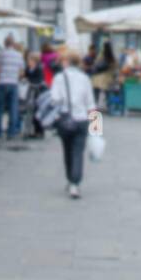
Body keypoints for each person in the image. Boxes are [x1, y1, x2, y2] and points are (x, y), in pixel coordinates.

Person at [49, 50, 96, 199]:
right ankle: (75, 183)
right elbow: (91, 103)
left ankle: (70, 179)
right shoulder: (85, 78)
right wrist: (97, 129)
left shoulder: (58, 78)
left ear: (66, 62)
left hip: (64, 119)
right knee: (78, 152)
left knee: (67, 150)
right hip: (81, 120)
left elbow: (54, 99)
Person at [0, 36, 25, 140]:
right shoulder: (19, 55)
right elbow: (21, 71)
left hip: (2, 83)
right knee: (13, 108)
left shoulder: (1, 54)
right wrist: (16, 77)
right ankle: (11, 132)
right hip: (13, 83)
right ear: (13, 43)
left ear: (4, 43)